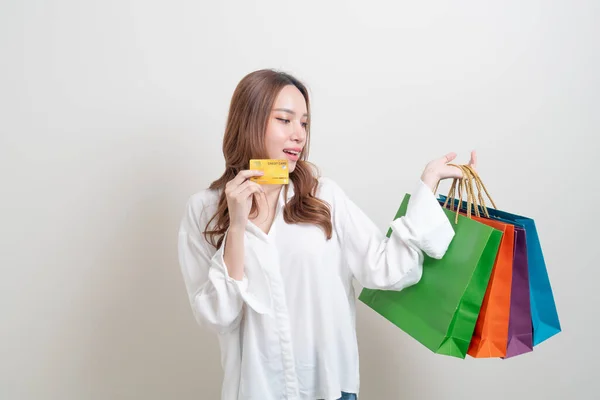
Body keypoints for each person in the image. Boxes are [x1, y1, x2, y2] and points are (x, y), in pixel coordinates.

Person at [177, 69, 476, 400]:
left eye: (304, 123)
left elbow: (388, 268)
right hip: (255, 391)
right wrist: (236, 225)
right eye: (285, 120)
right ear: (249, 121)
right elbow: (217, 317)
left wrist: (428, 184)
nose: (299, 135)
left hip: (329, 389)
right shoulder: (203, 209)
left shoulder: (324, 197)